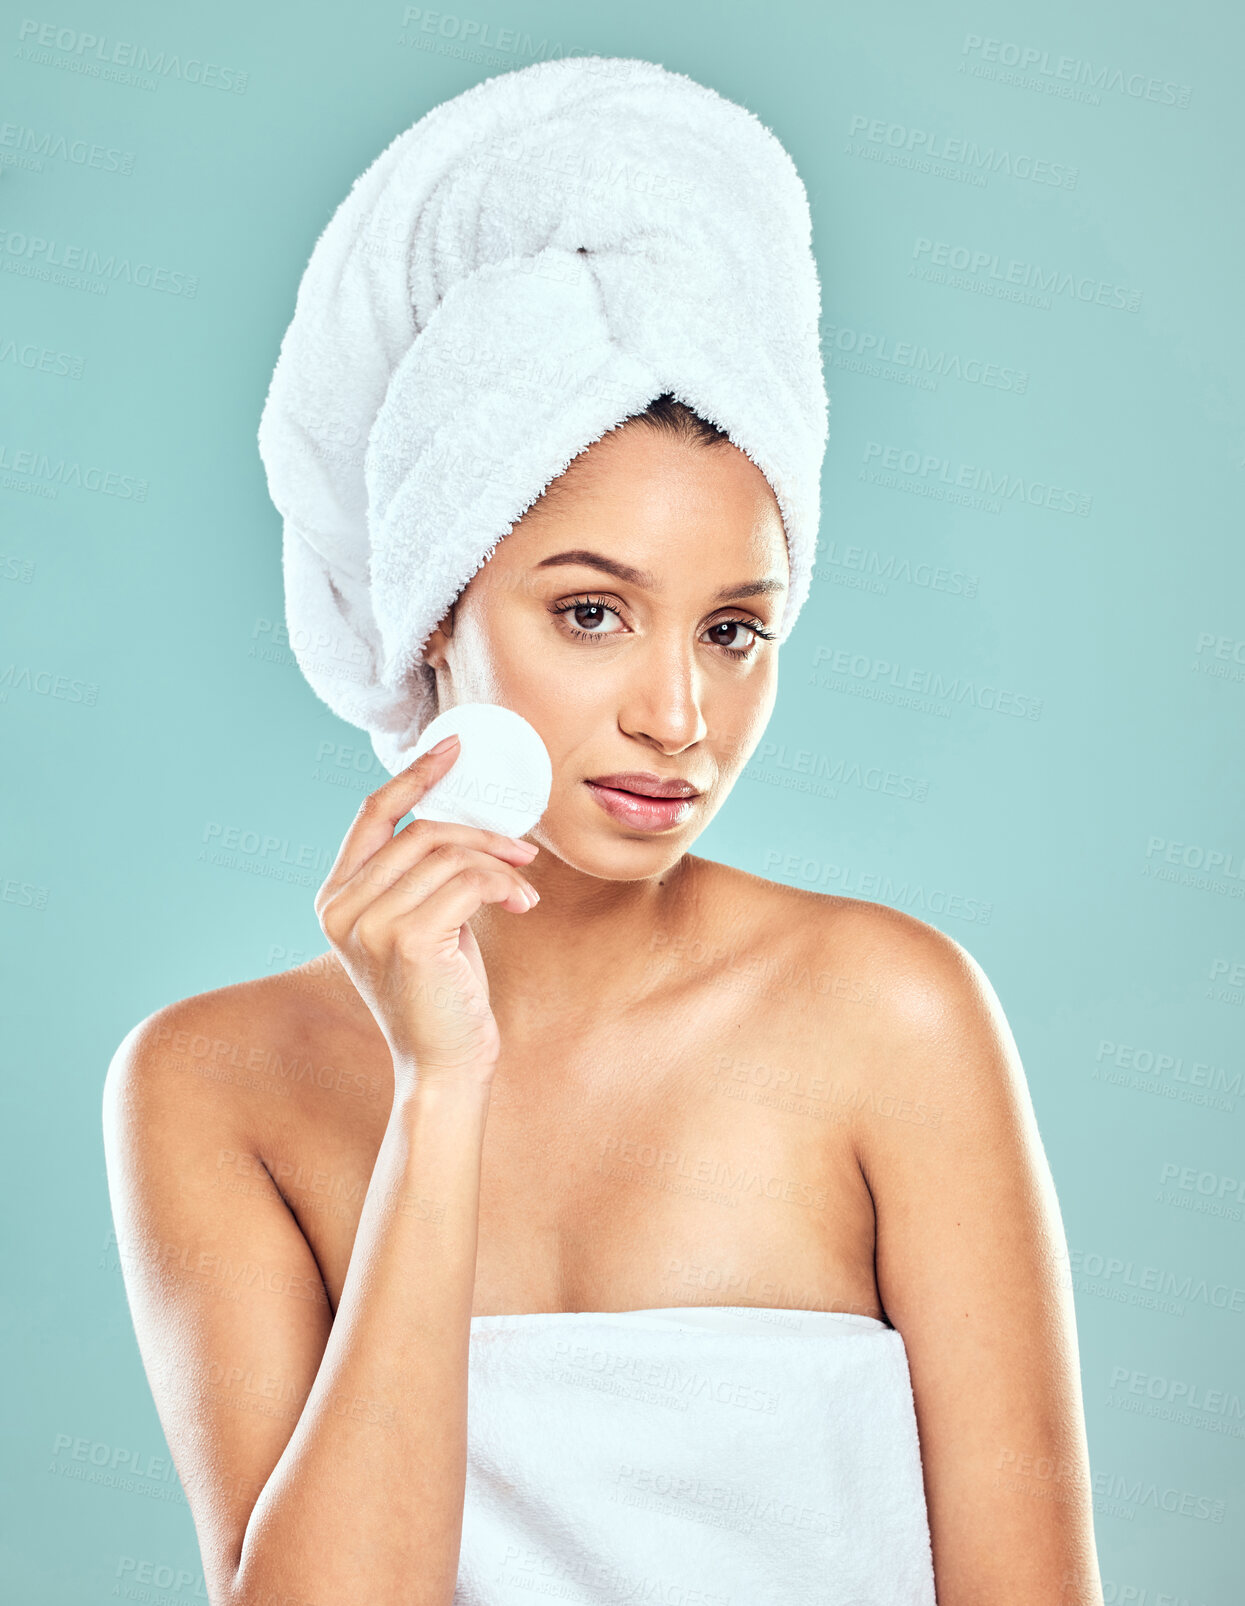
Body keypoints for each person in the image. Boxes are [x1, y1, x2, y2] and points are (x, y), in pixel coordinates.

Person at [102, 56, 1104, 1606]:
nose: (677, 716)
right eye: (591, 612)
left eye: (732, 631)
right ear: (435, 615)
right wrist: (442, 1093)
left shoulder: (888, 1014)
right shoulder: (211, 1085)